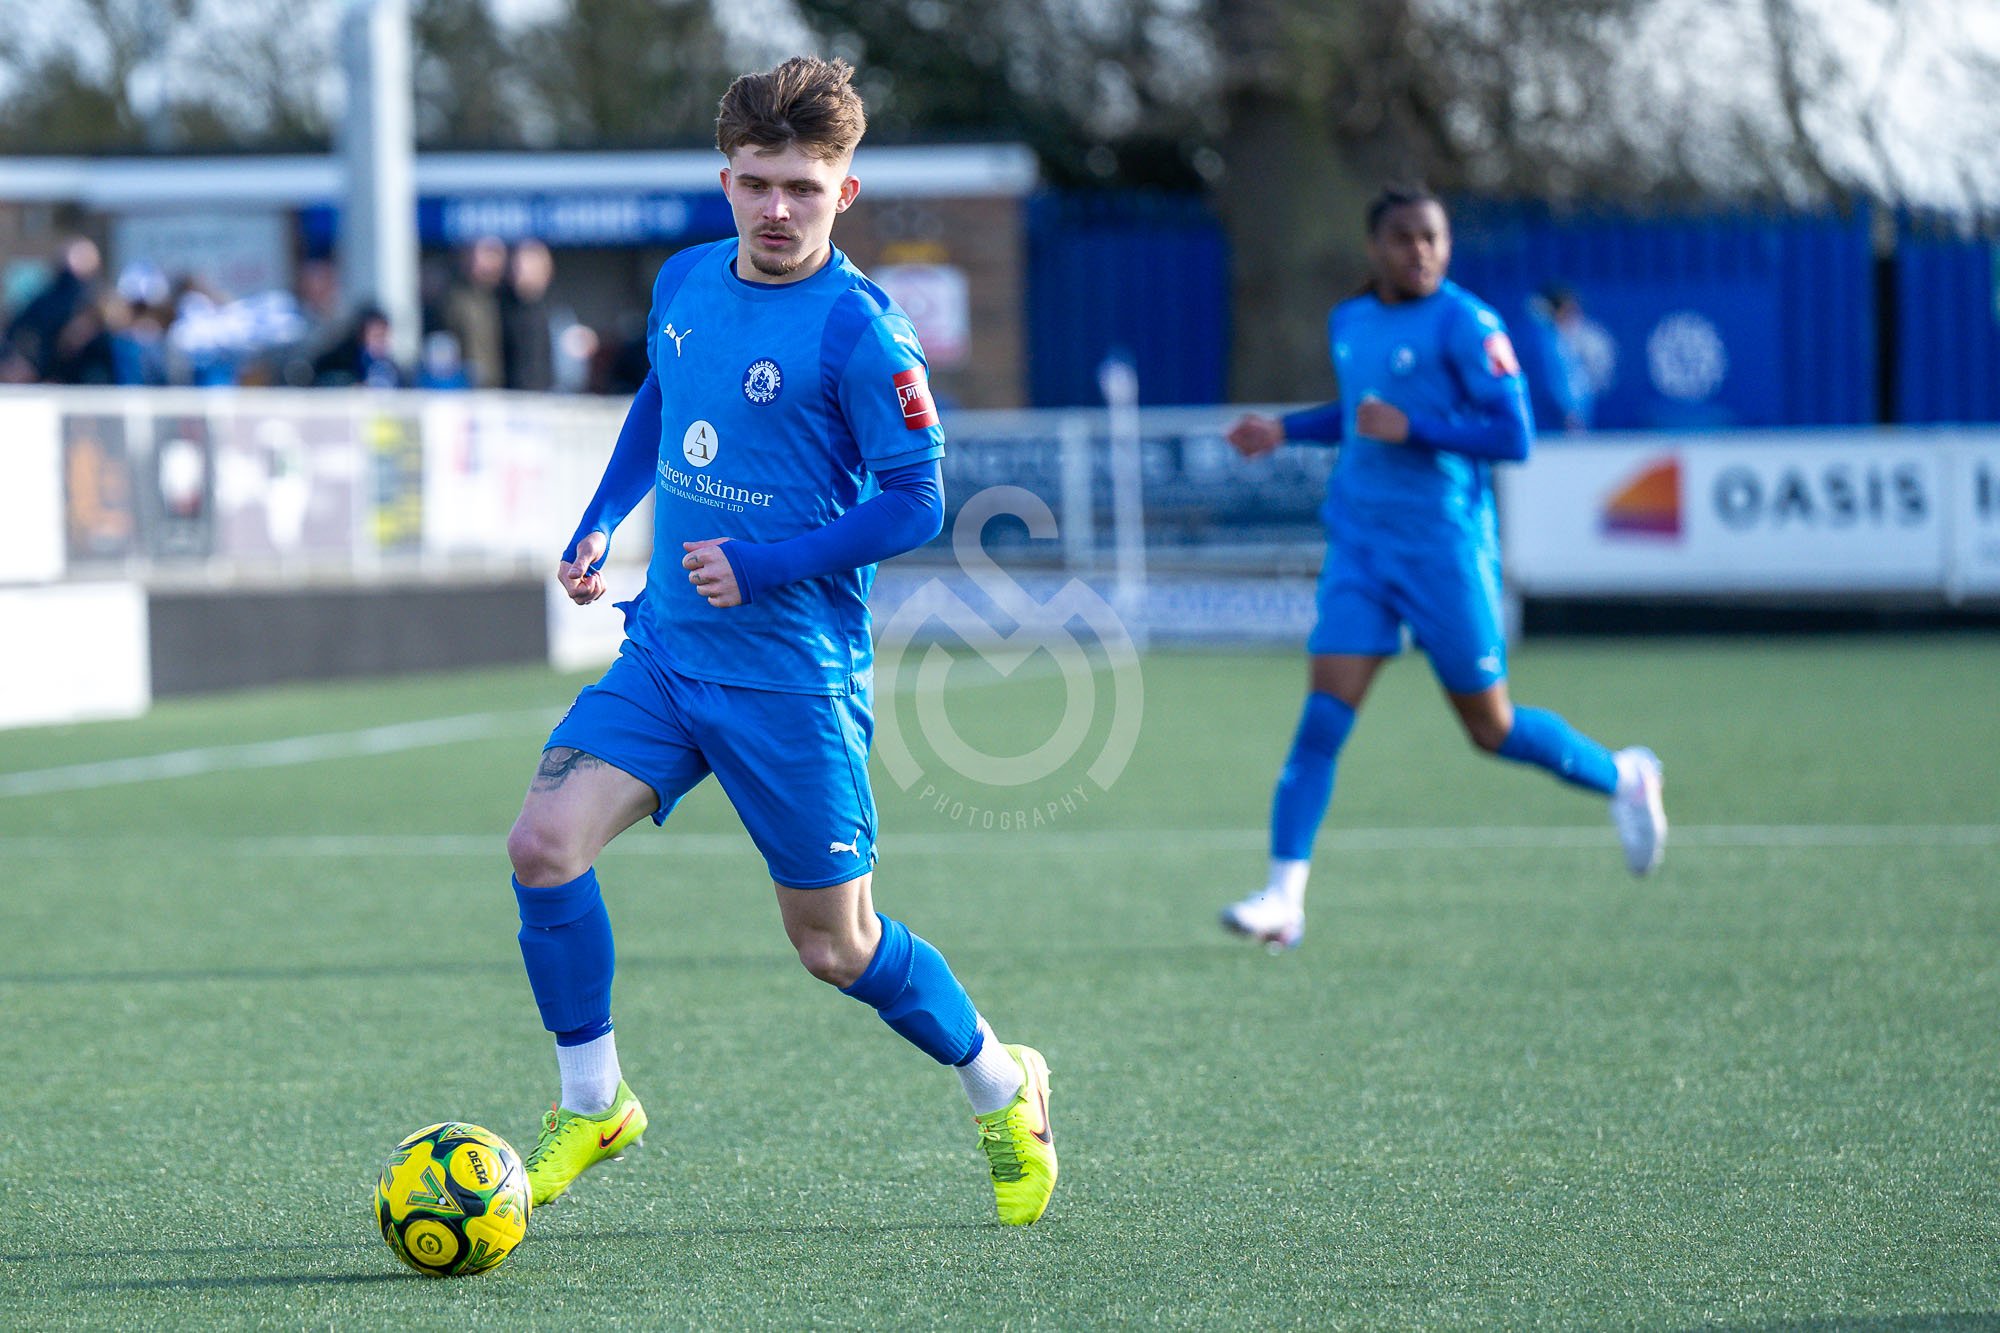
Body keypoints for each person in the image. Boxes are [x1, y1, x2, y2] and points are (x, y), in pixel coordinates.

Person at [504, 55, 1058, 1227]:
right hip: (664, 651)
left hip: (789, 678)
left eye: (803, 187)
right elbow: (662, 396)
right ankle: (592, 1103)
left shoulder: (863, 333)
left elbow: (915, 499)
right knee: (545, 844)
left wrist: (762, 563)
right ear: (725, 179)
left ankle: (1002, 1084)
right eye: (756, 182)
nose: (776, 207)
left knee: (835, 947)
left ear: (842, 193)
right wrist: (603, 520)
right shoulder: (682, 281)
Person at [1217, 187, 1667, 951]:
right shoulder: (1351, 320)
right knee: (1323, 719)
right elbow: (1362, 412)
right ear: (1374, 248)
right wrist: (1285, 430)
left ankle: (1624, 776)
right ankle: (1283, 899)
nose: (1420, 251)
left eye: (1433, 237)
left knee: (1490, 729)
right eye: (1403, 238)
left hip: (1443, 550)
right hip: (1361, 544)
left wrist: (1417, 428)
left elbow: (1514, 434)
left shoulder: (1469, 323)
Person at [1519, 284, 1596, 434]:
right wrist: (1568, 415)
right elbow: (1549, 383)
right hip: (1551, 428)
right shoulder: (1541, 340)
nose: (1574, 315)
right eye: (1569, 310)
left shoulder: (1554, 336)